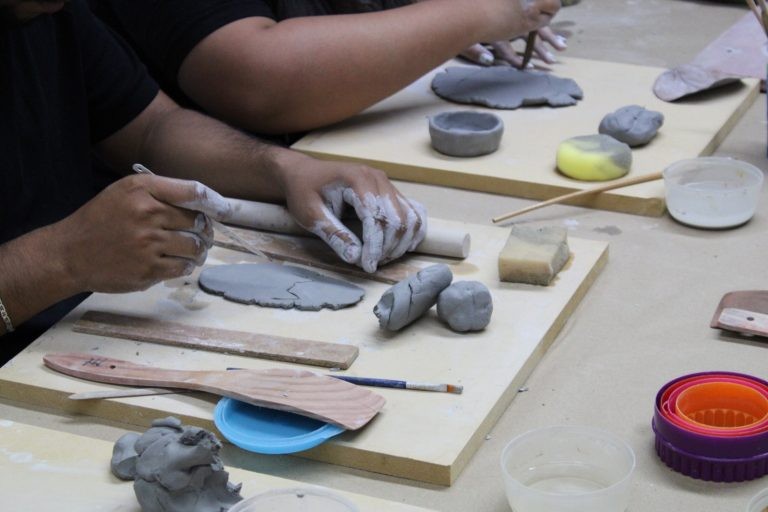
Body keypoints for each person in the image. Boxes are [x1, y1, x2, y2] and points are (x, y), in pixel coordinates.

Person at [0, 0, 426, 363]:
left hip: (80, 325)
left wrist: (286, 169)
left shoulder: (47, 13)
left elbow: (152, 128)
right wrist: (64, 259)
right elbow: (257, 71)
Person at [90, 0, 565, 141]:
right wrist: (472, 15)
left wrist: (433, 20)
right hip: (208, 188)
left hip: (346, 146)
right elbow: (257, 80)